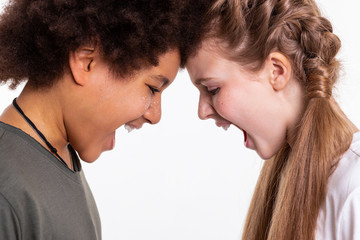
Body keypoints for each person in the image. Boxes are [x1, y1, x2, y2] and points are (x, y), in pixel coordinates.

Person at [0, 0, 211, 239]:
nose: (155, 115)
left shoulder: (60, 159)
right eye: (152, 88)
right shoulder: (7, 192)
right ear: (85, 61)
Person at [185, 0, 359, 239]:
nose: (202, 111)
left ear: (276, 71)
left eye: (212, 89)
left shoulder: (355, 190)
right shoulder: (288, 178)